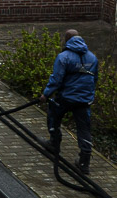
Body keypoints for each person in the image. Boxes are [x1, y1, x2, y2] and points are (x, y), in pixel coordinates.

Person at [41, 30, 99, 174]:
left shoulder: (63, 57)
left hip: (66, 98)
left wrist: (46, 94)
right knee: (84, 129)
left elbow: (56, 79)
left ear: (67, 40)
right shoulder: (92, 57)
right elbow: (95, 79)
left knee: (53, 115)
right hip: (84, 101)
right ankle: (84, 162)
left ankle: (54, 143)